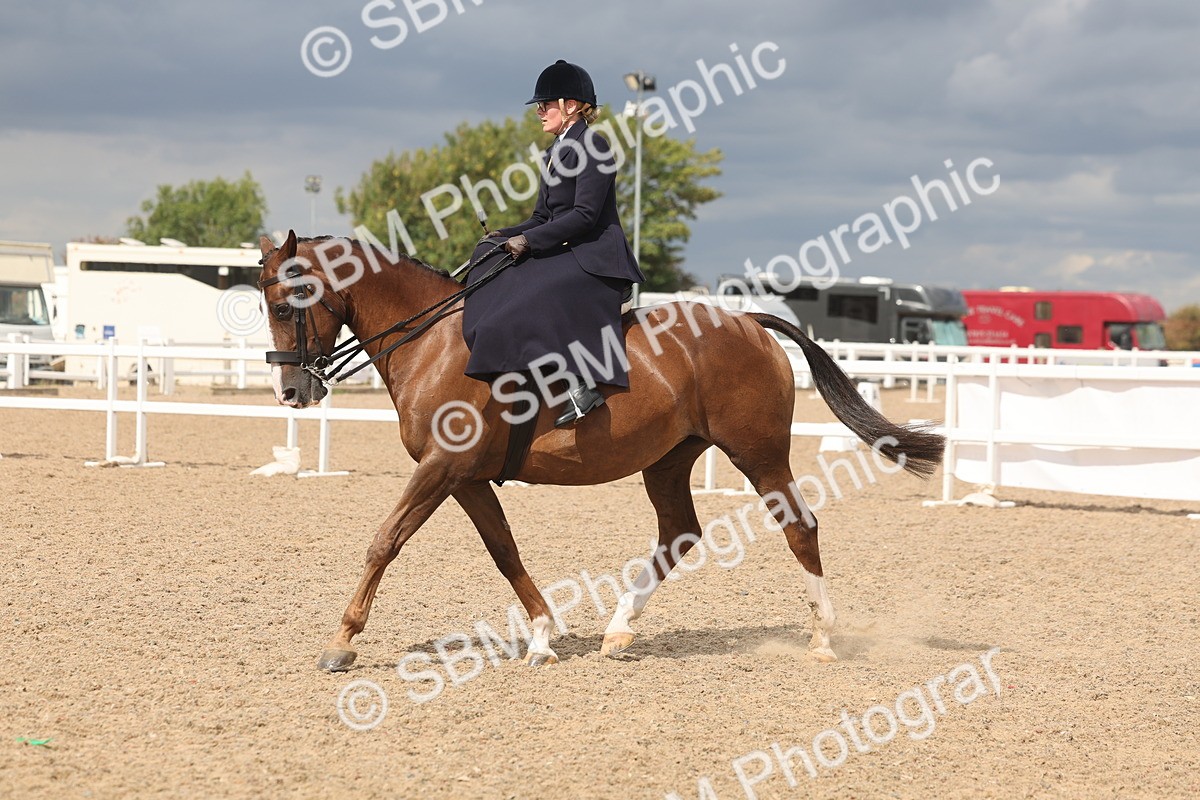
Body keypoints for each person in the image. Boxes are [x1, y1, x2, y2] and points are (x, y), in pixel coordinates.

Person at [461, 59, 645, 427]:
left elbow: (584, 216)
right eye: (540, 106)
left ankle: (584, 384)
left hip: (597, 258)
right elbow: (543, 218)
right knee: (488, 257)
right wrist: (504, 235)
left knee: (536, 287)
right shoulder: (553, 152)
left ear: (571, 106)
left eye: (545, 105)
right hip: (571, 251)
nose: (540, 112)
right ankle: (501, 361)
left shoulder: (594, 146)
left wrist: (527, 242)